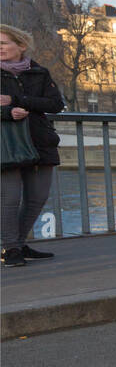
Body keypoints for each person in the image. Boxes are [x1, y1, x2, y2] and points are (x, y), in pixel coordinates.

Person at [1, 24, 63, 267]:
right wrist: (8, 113)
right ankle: (11, 248)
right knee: (9, 198)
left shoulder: (39, 72)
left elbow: (56, 104)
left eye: (3, 43)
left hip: (39, 141)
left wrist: (18, 100)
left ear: (21, 46)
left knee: (37, 197)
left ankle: (16, 243)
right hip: (6, 142)